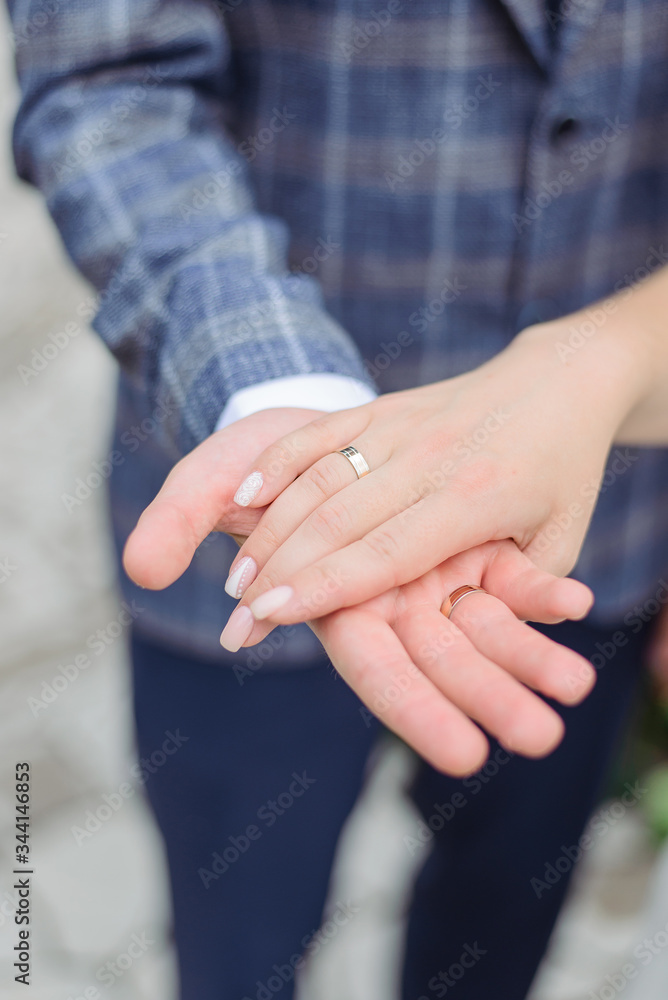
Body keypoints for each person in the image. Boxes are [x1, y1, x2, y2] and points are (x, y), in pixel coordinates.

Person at [8, 0, 668, 997]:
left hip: (600, 524)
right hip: (247, 530)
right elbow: (113, 79)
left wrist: (606, 367)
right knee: (238, 943)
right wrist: (283, 396)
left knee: (499, 928)